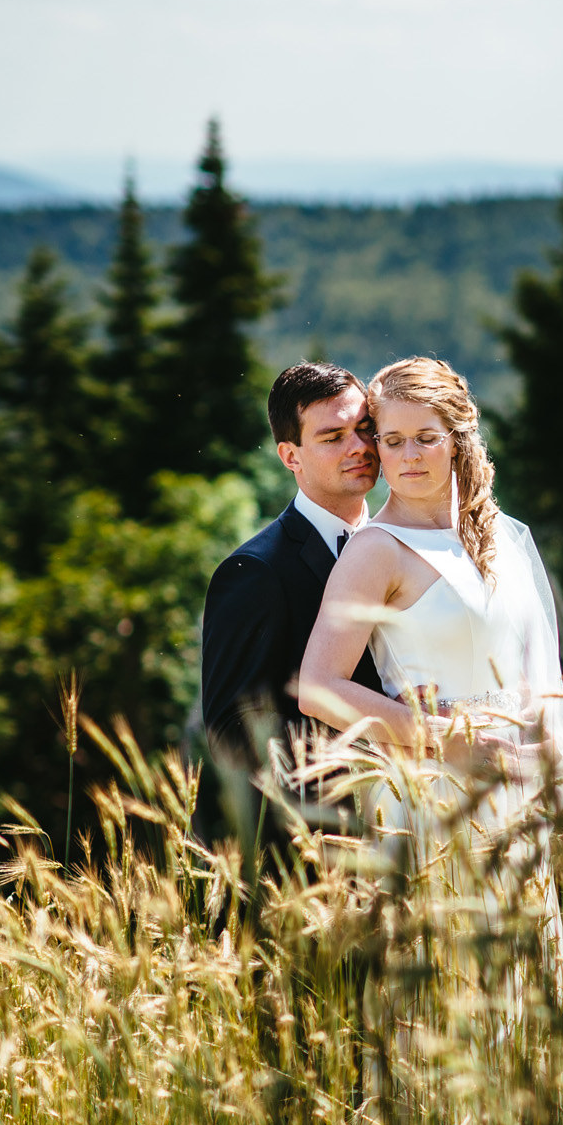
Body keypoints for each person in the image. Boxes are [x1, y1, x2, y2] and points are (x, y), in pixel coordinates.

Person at [297, 356, 563, 860]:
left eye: (426, 437)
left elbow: (539, 676)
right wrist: (445, 740)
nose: (409, 457)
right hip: (431, 791)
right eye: (392, 440)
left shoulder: (505, 536)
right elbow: (318, 688)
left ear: (456, 438)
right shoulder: (376, 549)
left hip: (517, 791)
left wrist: (542, 763)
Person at [190, 361, 386, 847]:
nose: (358, 447)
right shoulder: (255, 571)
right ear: (289, 455)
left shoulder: (404, 549)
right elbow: (232, 732)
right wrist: (369, 748)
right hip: (317, 846)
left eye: (364, 429)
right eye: (332, 436)